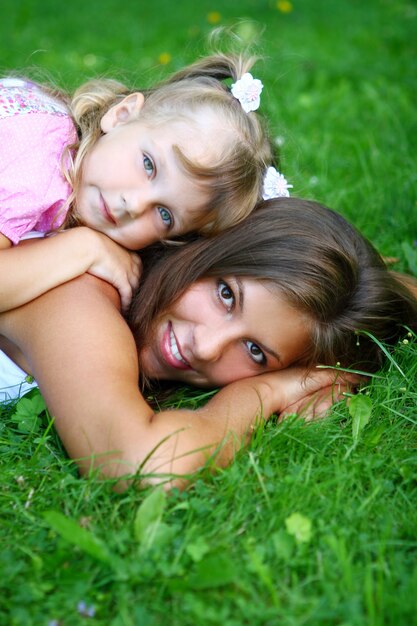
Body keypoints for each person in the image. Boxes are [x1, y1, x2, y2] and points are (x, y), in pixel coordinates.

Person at [1, 198, 416, 488]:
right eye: (226, 295)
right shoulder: (79, 297)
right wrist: (266, 389)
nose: (206, 347)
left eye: (255, 351)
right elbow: (143, 466)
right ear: (206, 245)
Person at [0, 53, 286, 312]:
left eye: (165, 214)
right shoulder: (40, 160)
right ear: (121, 115)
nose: (134, 204)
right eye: (148, 165)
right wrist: (84, 249)